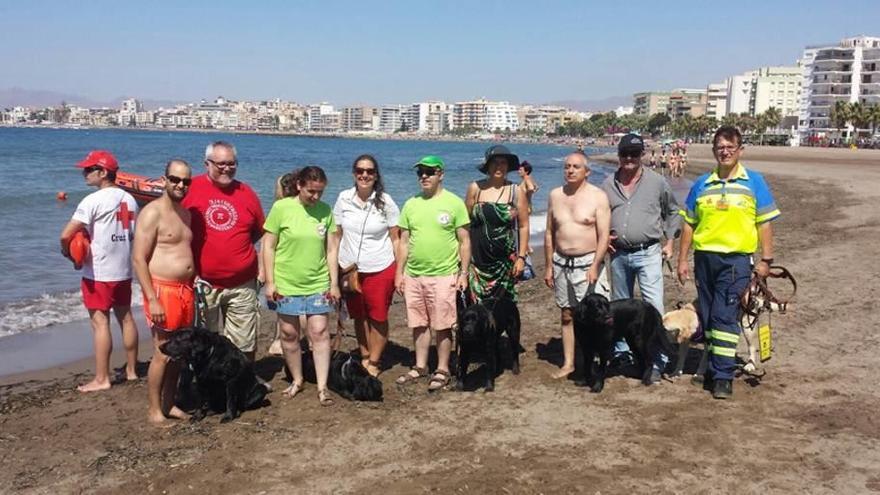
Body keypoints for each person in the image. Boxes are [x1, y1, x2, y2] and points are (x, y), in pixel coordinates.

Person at [677, 126, 780, 399]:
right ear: (714, 151)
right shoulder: (701, 184)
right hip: (704, 259)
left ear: (740, 150)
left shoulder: (754, 182)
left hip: (736, 261)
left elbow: (764, 223)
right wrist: (682, 260)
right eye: (720, 148)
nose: (724, 152)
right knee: (709, 316)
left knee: (725, 315)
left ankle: (722, 377)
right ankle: (713, 367)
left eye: (729, 147)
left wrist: (766, 260)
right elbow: (688, 224)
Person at [601, 134, 681, 383]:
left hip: (648, 253)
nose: (629, 159)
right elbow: (598, 215)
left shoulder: (657, 182)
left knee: (653, 308)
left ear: (642, 156)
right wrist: (602, 240)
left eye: (634, 154)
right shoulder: (607, 184)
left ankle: (657, 361)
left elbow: (673, 211)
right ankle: (623, 354)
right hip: (618, 255)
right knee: (620, 307)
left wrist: (669, 242)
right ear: (619, 155)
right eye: (625, 154)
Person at [59, 150, 139, 392]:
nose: (85, 174)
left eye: (88, 169)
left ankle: (102, 378)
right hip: (123, 269)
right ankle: (132, 371)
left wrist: (68, 253)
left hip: (100, 272)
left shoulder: (92, 201)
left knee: (100, 323)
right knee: (126, 318)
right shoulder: (130, 199)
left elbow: (65, 234)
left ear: (103, 172)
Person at [263, 166, 341, 406]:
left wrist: (334, 283)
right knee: (289, 333)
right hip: (286, 283)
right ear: (299, 186)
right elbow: (268, 246)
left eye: (320, 192)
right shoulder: (281, 208)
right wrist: (270, 281)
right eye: (311, 192)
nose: (316, 197)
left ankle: (322, 385)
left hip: (318, 282)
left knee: (319, 332)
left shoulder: (325, 211)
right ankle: (297, 379)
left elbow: (331, 249)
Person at [183, 141, 265, 360]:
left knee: (244, 343)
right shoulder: (190, 188)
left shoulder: (246, 192)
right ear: (206, 164)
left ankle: (244, 384)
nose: (226, 168)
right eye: (220, 164)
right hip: (203, 284)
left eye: (231, 164)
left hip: (242, 284)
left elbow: (259, 231)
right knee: (203, 344)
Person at [395, 156, 470, 392]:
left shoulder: (454, 203)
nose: (424, 176)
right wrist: (400, 273)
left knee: (443, 324)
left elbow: (464, 241)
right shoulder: (410, 204)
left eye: (429, 172)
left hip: (444, 274)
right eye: (420, 173)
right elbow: (404, 242)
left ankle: (443, 368)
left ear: (441, 174)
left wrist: (464, 273)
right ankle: (420, 365)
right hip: (414, 275)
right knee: (418, 323)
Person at [131, 159, 195, 424]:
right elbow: (138, 259)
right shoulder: (152, 213)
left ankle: (170, 404)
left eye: (186, 181)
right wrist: (152, 298)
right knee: (162, 352)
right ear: (165, 180)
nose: (180, 185)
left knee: (178, 354)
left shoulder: (185, 213)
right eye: (175, 179)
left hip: (185, 291)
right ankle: (154, 409)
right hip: (163, 291)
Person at [543, 151, 611, 379]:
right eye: (567, 167)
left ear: (587, 172)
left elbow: (603, 236)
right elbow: (550, 233)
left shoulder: (598, 196)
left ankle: (597, 362)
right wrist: (549, 266)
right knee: (567, 314)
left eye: (576, 167)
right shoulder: (555, 195)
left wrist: (595, 265)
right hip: (561, 262)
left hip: (587, 263)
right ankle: (569, 362)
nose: (570, 171)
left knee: (595, 317)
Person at [333, 155, 400, 377]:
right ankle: (363, 354)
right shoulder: (344, 198)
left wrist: (401, 271)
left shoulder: (386, 202)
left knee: (378, 316)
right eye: (360, 170)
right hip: (350, 269)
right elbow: (336, 236)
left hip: (380, 267)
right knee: (358, 315)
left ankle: (374, 360)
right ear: (354, 173)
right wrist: (332, 268)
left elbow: (396, 238)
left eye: (370, 171)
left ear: (376, 175)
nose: (364, 175)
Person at [465, 145, 530, 301]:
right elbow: (464, 224)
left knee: (503, 310)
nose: (498, 166)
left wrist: (521, 258)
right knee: (475, 312)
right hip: (477, 261)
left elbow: (523, 226)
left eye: (503, 163)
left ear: (508, 166)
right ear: (488, 166)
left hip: (504, 262)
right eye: (494, 162)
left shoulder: (516, 191)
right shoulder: (475, 188)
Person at [267, 172, 296, 357]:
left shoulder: (283, 206)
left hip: (291, 265)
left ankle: (282, 340)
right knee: (281, 305)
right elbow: (268, 243)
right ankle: (280, 339)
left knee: (290, 308)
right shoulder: (278, 208)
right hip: (280, 265)